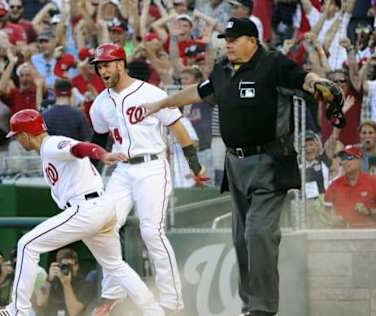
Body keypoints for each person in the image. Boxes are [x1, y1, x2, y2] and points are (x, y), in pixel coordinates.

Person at [141, 17, 343, 316]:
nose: (229, 44)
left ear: (253, 40)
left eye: (234, 39)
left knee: (258, 233)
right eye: (227, 39)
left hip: (270, 161)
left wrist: (320, 83)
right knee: (240, 238)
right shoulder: (223, 69)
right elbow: (199, 91)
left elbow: (304, 78)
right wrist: (161, 104)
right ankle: (250, 306)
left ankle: (263, 309)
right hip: (235, 164)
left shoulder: (273, 63)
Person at [0, 109, 165, 316]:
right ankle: (154, 311)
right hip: (101, 206)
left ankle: (17, 310)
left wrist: (103, 154)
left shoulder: (51, 145)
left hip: (87, 208)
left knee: (27, 244)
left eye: (17, 135)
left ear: (25, 134)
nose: (17, 140)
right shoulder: (47, 149)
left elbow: (81, 147)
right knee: (115, 265)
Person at [88, 43, 208, 316]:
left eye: (106, 64)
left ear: (121, 63)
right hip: (122, 170)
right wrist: (90, 174)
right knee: (104, 227)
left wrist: (195, 166)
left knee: (151, 231)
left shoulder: (151, 93)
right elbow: (97, 139)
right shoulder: (100, 103)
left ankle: (172, 301)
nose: (102, 70)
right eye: (99, 66)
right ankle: (112, 293)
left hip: (152, 167)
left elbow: (179, 130)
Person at [324, 146, 376, 228]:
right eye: (343, 158)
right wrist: (333, 219)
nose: (345, 161)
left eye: (349, 157)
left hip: (367, 235)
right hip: (341, 235)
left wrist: (369, 210)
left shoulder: (373, 182)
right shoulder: (334, 185)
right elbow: (325, 211)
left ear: (359, 160)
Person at [41, 248, 95, 316]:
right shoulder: (53, 282)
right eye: (64, 266)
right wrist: (48, 280)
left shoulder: (85, 285)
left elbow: (74, 312)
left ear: (76, 266)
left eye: (69, 266)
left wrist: (66, 284)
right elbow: (40, 302)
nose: (66, 269)